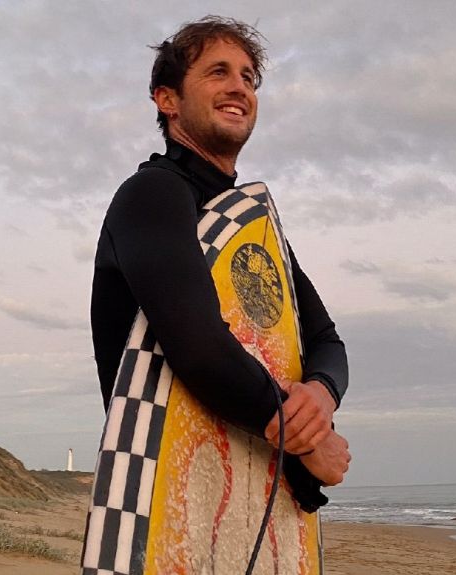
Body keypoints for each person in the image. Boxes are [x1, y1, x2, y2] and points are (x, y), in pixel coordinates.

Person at [91, 16, 351, 511]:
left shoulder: (251, 227)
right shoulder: (153, 194)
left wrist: (321, 394)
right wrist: (309, 441)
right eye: (218, 72)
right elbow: (201, 348)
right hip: (172, 498)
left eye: (249, 77)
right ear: (167, 99)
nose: (239, 87)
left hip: (254, 498)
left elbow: (325, 340)